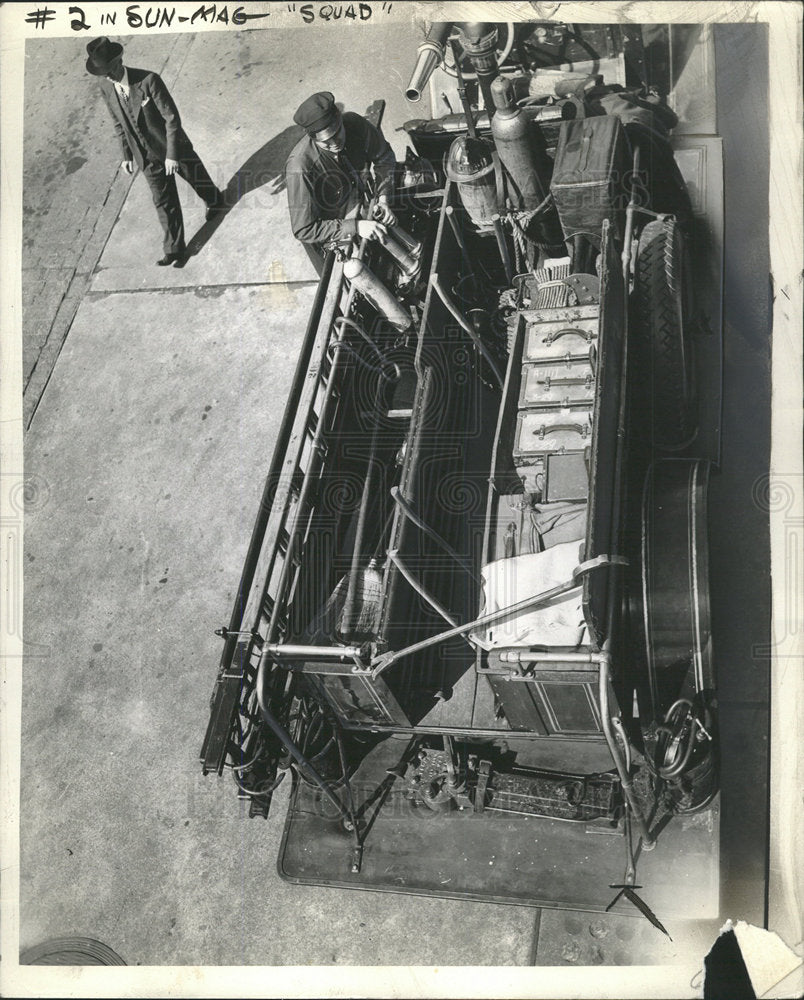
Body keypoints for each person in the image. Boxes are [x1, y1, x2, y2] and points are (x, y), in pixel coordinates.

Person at [85, 36, 225, 266]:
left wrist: (172, 155)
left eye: (110, 70)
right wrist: (126, 155)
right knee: (162, 200)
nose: (108, 76)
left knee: (195, 177)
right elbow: (118, 123)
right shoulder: (106, 88)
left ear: (120, 62)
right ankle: (174, 249)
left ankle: (215, 199)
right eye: (104, 73)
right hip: (145, 157)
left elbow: (171, 119)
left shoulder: (149, 80)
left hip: (171, 146)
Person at [285, 91, 398, 275]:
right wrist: (355, 227)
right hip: (331, 231)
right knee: (359, 278)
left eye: (337, 134)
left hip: (359, 202)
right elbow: (304, 229)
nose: (335, 144)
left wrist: (383, 198)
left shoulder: (353, 123)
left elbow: (383, 156)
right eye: (326, 143)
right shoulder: (300, 167)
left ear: (340, 119)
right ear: (313, 138)